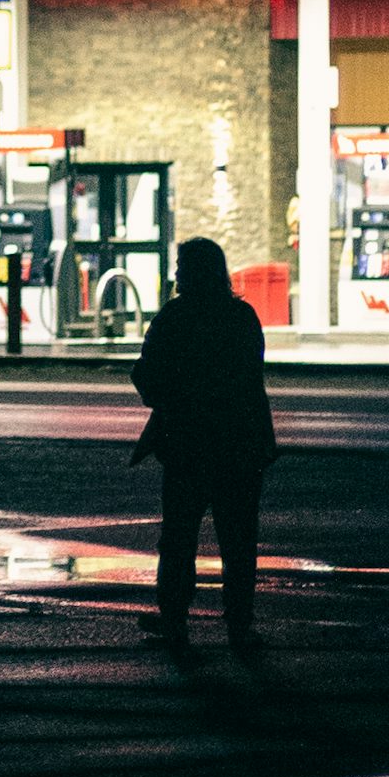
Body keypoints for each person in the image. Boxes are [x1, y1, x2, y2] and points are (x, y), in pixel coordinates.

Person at [131, 236, 278, 653]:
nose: (176, 273)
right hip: (238, 445)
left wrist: (170, 398)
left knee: (179, 538)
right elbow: (251, 380)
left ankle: (175, 620)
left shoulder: (174, 319)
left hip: (188, 445)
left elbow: (148, 377)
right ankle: (239, 626)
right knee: (238, 541)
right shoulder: (241, 317)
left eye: (181, 266)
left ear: (192, 273)